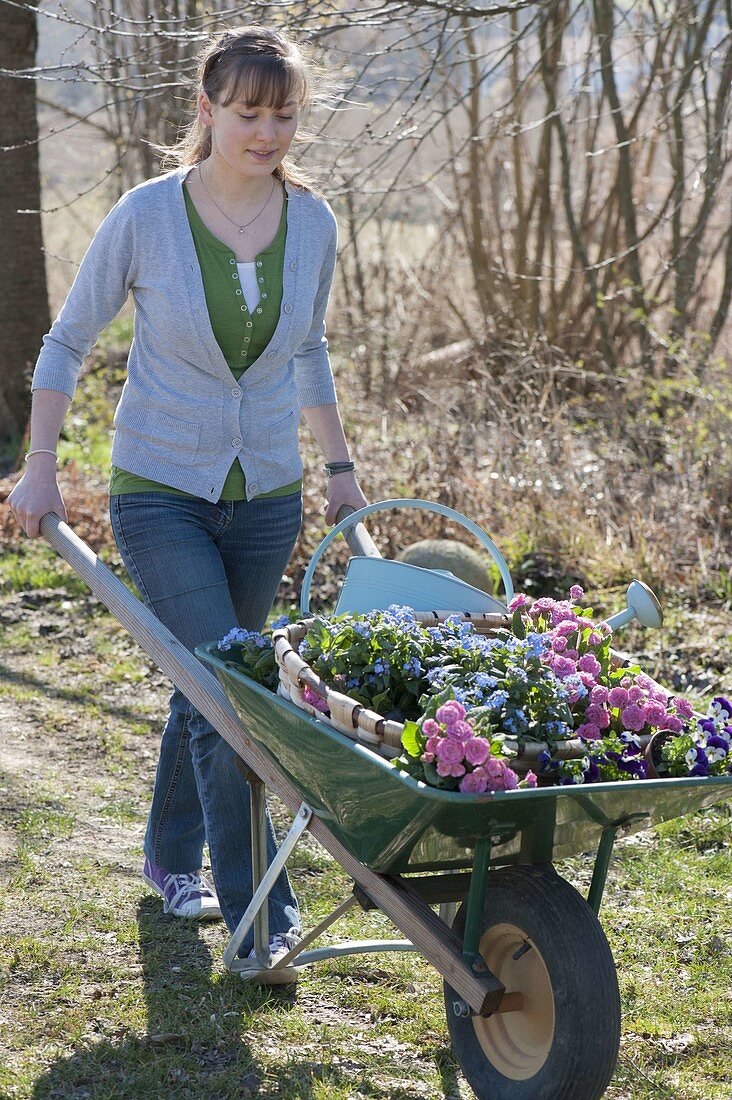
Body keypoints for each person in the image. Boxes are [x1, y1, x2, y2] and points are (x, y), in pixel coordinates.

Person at [9, 25, 367, 982]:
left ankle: (171, 861)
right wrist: (39, 465)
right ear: (205, 111)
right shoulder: (146, 215)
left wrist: (338, 470)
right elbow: (66, 341)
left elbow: (307, 350)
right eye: (247, 112)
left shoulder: (316, 222)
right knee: (232, 695)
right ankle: (265, 921)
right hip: (160, 491)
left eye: (283, 113)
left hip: (266, 502)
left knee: (209, 683)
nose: (266, 131)